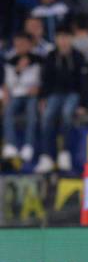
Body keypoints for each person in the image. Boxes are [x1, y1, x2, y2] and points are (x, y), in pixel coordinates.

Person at [34, 24, 88, 174]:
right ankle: (47, 156)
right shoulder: (51, 57)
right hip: (54, 94)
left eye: (66, 38)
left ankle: (65, 154)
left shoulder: (79, 57)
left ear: (71, 39)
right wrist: (42, 98)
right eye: (60, 38)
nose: (63, 41)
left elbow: (84, 83)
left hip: (73, 94)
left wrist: (84, 104)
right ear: (56, 39)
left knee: (66, 114)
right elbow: (45, 80)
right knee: (46, 117)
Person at [2, 31, 41, 163]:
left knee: (31, 112)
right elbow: (10, 83)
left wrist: (38, 89)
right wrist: (18, 70)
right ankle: (11, 145)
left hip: (32, 95)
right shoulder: (10, 61)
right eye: (17, 44)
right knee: (8, 110)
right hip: (16, 95)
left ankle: (28, 146)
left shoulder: (38, 59)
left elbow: (39, 80)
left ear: (30, 44)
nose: (20, 47)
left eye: (23, 44)